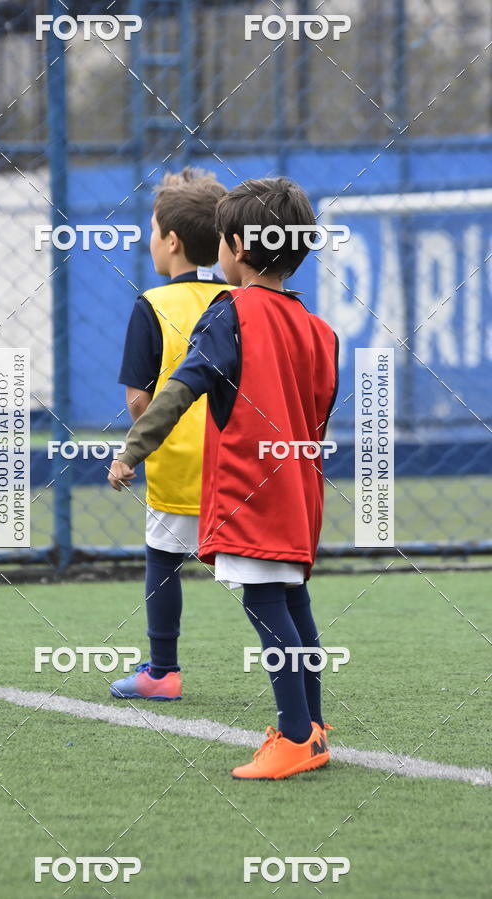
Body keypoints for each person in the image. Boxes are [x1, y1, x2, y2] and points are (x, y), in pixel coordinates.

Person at [109, 177, 339, 780]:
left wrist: (133, 450)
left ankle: (294, 738)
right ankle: (311, 725)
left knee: (266, 604)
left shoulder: (231, 314)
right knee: (294, 600)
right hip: (299, 489)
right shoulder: (319, 329)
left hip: (249, 491)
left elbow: (180, 388)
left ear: (233, 245)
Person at [110, 168, 232, 703]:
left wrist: (142, 435)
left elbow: (140, 398)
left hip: (178, 466)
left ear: (173, 241)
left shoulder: (153, 305)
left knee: (163, 561)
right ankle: (291, 662)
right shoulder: (242, 298)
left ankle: (163, 671)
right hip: (241, 464)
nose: (150, 239)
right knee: (261, 574)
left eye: (153, 230)